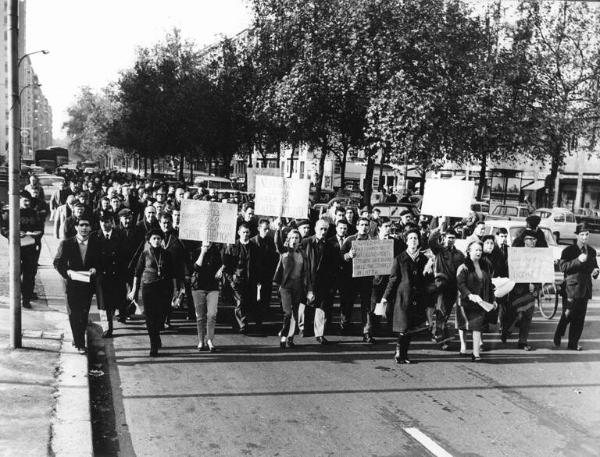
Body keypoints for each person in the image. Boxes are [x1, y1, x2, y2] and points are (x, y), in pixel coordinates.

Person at [53, 217, 100, 354]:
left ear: (91, 228)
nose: (84, 228)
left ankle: (78, 338)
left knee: (84, 314)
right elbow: (57, 263)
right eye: (81, 225)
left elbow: (99, 261)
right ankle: (80, 343)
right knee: (74, 313)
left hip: (86, 285)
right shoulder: (66, 244)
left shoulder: (95, 244)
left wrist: (94, 269)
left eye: (87, 225)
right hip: (71, 284)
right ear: (76, 227)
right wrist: (67, 272)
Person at [381, 229, 428, 364]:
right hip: (403, 298)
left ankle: (404, 354)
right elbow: (393, 279)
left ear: (419, 241)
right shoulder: (399, 258)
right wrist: (385, 297)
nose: (413, 240)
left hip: (416, 298)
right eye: (411, 238)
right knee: (403, 327)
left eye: (415, 238)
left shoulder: (424, 259)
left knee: (410, 328)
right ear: (406, 241)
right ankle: (398, 353)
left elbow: (426, 280)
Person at [129, 229, 177, 357]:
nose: (157, 240)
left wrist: (176, 290)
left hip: (164, 288)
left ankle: (156, 336)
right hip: (148, 287)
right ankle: (153, 344)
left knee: (161, 316)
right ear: (149, 240)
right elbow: (137, 273)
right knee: (150, 317)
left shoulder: (167, 254)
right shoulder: (145, 254)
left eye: (159, 238)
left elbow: (173, 274)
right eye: (154, 238)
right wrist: (134, 289)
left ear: (162, 240)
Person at [554, 225, 599, 351]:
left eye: (587, 234)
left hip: (585, 289)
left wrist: (596, 272)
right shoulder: (569, 250)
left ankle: (573, 343)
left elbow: (594, 267)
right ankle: (559, 332)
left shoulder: (592, 251)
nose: (584, 237)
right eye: (582, 234)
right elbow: (562, 267)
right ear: (577, 235)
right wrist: (578, 260)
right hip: (571, 288)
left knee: (580, 318)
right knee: (568, 314)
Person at [1, 194, 44, 309]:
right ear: (19, 201)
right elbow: (3, 228)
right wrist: (14, 234)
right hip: (16, 247)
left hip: (30, 247)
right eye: (25, 201)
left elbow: (41, 228)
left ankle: (26, 298)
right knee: (15, 272)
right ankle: (17, 294)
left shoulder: (35, 213)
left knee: (29, 274)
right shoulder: (10, 213)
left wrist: (36, 234)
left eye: (28, 201)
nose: (27, 203)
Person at [456, 240, 496, 362]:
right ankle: (463, 345)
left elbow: (489, 285)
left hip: (481, 302)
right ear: (469, 251)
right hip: (466, 302)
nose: (478, 252)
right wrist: (469, 295)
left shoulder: (485, 266)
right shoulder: (463, 267)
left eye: (480, 250)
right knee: (463, 325)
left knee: (477, 326)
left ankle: (475, 353)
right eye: (476, 250)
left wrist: (493, 300)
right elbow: (460, 284)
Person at [427, 224, 465, 348]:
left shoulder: (459, 254)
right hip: (441, 286)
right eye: (449, 237)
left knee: (447, 312)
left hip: (453, 287)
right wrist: (439, 229)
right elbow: (431, 241)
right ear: (444, 238)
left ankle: (436, 332)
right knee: (441, 311)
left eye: (453, 238)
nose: (451, 240)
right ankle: (442, 339)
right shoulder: (439, 250)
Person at [340, 217, 376, 342]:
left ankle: (367, 332)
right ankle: (345, 323)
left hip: (366, 279)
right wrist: (348, 255)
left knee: (366, 307)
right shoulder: (350, 240)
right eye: (362, 225)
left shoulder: (374, 241)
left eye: (366, 225)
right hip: (351, 279)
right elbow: (340, 256)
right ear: (357, 226)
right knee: (348, 303)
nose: (364, 227)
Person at [503, 230, 539, 351]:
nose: (532, 241)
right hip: (517, 290)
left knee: (527, 316)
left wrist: (535, 284)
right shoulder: (516, 253)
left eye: (534, 239)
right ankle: (506, 329)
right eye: (529, 239)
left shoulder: (539, 255)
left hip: (531, 291)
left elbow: (541, 272)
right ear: (524, 240)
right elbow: (509, 269)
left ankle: (522, 341)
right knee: (516, 314)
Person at [93, 214, 127, 338]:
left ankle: (115, 319)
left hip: (116, 275)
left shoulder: (120, 235)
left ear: (112, 222)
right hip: (102, 276)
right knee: (103, 305)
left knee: (114, 302)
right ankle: (107, 328)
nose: (104, 224)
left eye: (106, 221)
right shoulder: (95, 236)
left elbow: (125, 256)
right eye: (102, 221)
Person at [273, 229, 308, 349]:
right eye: (292, 238)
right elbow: (277, 243)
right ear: (288, 239)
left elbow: (305, 272)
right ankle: (283, 335)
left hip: (298, 286)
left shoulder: (302, 254)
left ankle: (290, 338)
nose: (294, 240)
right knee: (287, 312)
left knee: (295, 313)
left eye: (296, 238)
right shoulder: (284, 251)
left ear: (300, 241)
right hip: (286, 287)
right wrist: (278, 230)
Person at [303, 219, 336, 344]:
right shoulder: (306, 242)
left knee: (321, 307)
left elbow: (333, 265)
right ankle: (303, 328)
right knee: (305, 305)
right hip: (307, 279)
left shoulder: (330, 246)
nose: (323, 231)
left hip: (323, 281)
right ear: (315, 228)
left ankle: (319, 334)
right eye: (321, 228)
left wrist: (332, 283)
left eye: (325, 229)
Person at [191, 241, 224, 352]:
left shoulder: (217, 253)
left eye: (210, 241)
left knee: (212, 314)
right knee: (200, 316)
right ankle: (201, 340)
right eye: (206, 241)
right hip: (198, 287)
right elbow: (196, 267)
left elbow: (222, 264)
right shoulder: (196, 251)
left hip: (212, 287)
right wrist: (202, 252)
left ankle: (210, 339)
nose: (208, 243)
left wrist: (221, 270)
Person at [222, 223, 254, 334]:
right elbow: (226, 265)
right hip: (236, 280)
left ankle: (239, 323)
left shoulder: (254, 247)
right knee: (239, 301)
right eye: (243, 232)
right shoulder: (232, 246)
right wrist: (231, 280)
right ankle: (243, 325)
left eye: (247, 232)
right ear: (239, 233)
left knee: (246, 302)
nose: (245, 234)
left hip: (249, 280)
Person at [249, 219, 279, 332]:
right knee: (255, 299)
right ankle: (256, 321)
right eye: (264, 229)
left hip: (266, 275)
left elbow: (274, 257)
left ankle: (261, 320)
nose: (266, 231)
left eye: (268, 229)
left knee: (265, 298)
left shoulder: (271, 241)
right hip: (254, 275)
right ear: (258, 229)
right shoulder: (252, 241)